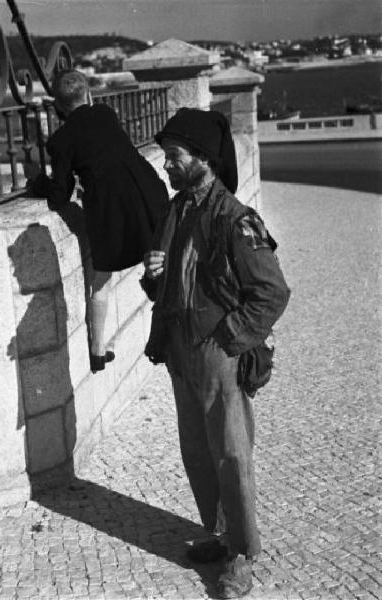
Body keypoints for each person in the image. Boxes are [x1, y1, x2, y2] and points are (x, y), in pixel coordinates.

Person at [141, 108, 290, 599]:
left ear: (202, 158)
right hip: (183, 352)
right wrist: (153, 275)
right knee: (197, 452)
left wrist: (230, 339)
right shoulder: (178, 209)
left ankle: (243, 555)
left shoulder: (233, 218)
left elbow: (272, 292)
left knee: (229, 454)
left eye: (174, 156)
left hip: (218, 355)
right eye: (166, 157)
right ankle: (222, 536)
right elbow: (169, 288)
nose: (166, 165)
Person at [25, 69, 168, 373]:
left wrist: (38, 182)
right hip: (145, 190)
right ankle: (172, 321)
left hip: (108, 208)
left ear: (58, 106)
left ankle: (97, 352)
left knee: (101, 278)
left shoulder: (61, 140)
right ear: (88, 93)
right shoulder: (105, 113)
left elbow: (59, 197)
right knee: (158, 257)